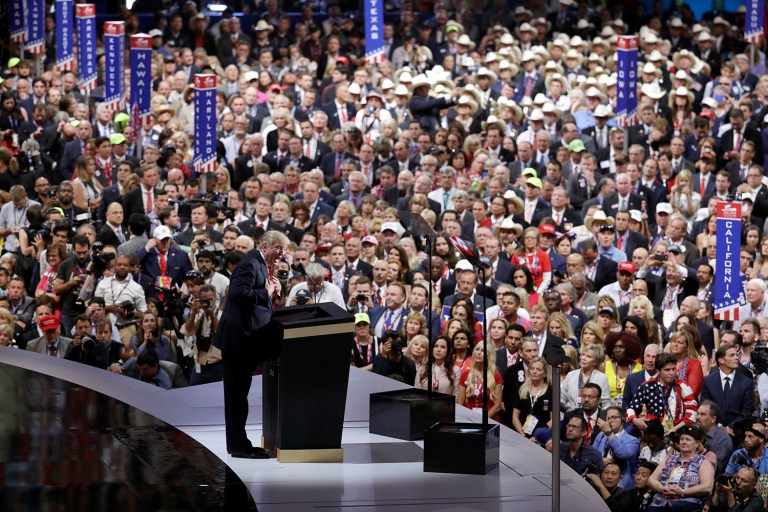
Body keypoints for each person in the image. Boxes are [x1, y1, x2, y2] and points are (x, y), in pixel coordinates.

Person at [214, 230, 290, 459]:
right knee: (236, 396)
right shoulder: (250, 263)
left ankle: (240, 442)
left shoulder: (261, 265)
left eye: (284, 249)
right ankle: (238, 446)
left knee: (240, 395)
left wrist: (271, 291)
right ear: (265, 245)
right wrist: (264, 292)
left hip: (247, 340)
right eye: (278, 248)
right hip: (238, 340)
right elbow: (236, 294)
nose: (282, 253)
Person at [646, 424, 715, 511]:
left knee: (677, 508)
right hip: (662, 501)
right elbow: (651, 479)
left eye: (688, 439)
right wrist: (662, 488)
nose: (683, 442)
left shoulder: (703, 462)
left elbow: (707, 487)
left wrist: (682, 492)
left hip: (686, 502)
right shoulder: (670, 459)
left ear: (697, 443)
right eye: (682, 439)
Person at [511, 356, 553, 444]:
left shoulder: (551, 391)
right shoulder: (522, 389)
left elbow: (553, 419)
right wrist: (523, 436)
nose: (534, 372)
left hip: (542, 438)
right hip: (522, 437)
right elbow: (515, 417)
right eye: (532, 369)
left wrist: (539, 435)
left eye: (538, 369)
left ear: (545, 373)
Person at [458, 342, 503, 421]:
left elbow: (497, 405)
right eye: (477, 349)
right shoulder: (465, 374)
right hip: (469, 420)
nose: (479, 353)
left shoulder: (496, 375)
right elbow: (460, 402)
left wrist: (483, 420)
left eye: (483, 351)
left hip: (490, 420)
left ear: (489, 355)